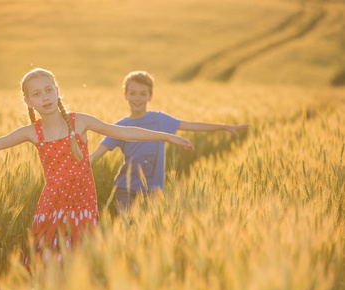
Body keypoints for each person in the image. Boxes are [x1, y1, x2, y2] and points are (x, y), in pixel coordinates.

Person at [0, 68, 194, 267]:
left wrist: (168, 135)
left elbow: (126, 133)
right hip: (52, 206)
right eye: (36, 94)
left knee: (79, 262)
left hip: (84, 205)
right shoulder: (32, 132)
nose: (44, 97)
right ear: (28, 100)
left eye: (49, 90)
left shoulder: (80, 121)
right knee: (45, 261)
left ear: (57, 90)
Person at [90, 71, 249, 211]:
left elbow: (191, 125)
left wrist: (225, 126)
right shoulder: (120, 126)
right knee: (129, 230)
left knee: (151, 231)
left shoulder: (161, 120)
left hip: (155, 189)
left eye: (143, 94)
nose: (137, 98)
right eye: (133, 93)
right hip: (126, 189)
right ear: (125, 95)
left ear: (150, 96)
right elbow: (98, 154)